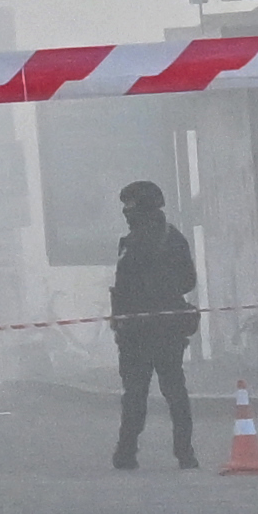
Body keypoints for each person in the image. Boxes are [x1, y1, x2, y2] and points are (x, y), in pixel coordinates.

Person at [106, 182, 202, 470]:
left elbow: (126, 289)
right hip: (164, 329)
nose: (125, 211)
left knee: (137, 393)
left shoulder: (141, 243)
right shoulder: (172, 238)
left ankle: (127, 452)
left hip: (143, 332)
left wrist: (140, 306)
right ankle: (184, 453)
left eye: (130, 206)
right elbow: (188, 281)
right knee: (174, 391)